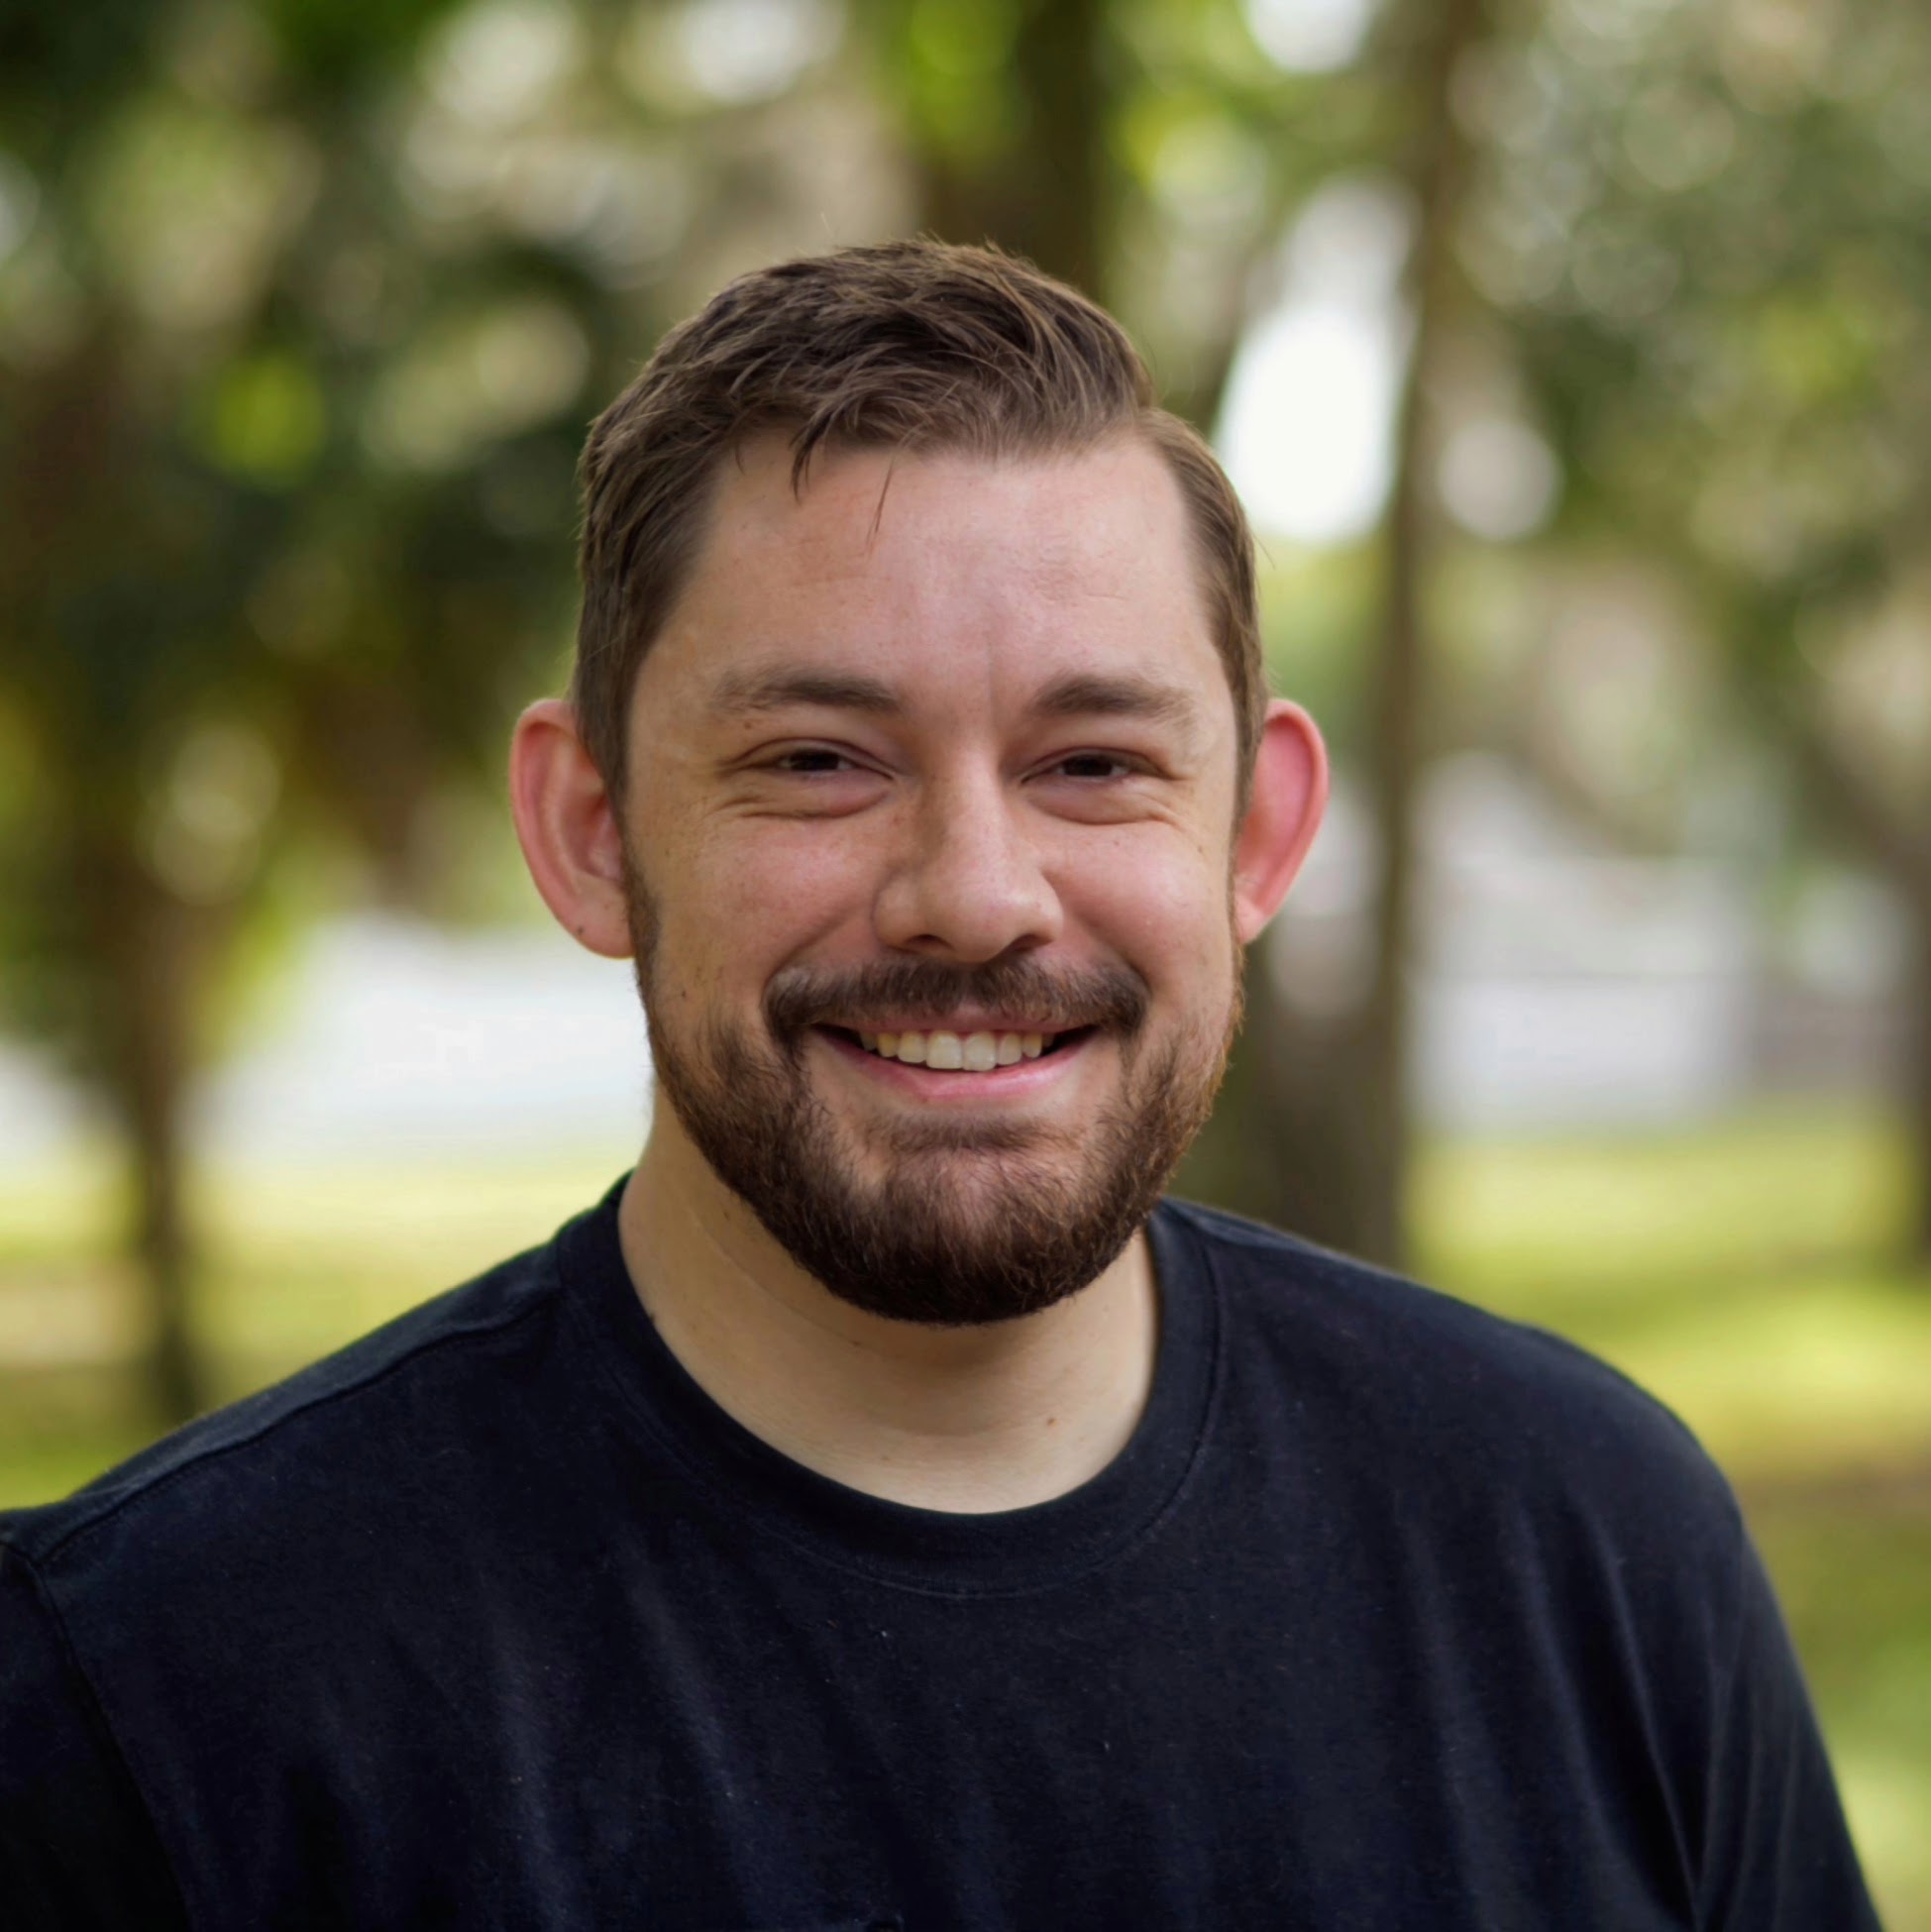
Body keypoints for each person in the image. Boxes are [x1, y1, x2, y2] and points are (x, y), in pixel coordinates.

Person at [0, 241, 1878, 1931]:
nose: (974, 896)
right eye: (820, 759)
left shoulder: (1592, 1550)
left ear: (1256, 832)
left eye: (1093, 763)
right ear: (591, 832)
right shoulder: (143, 1695)